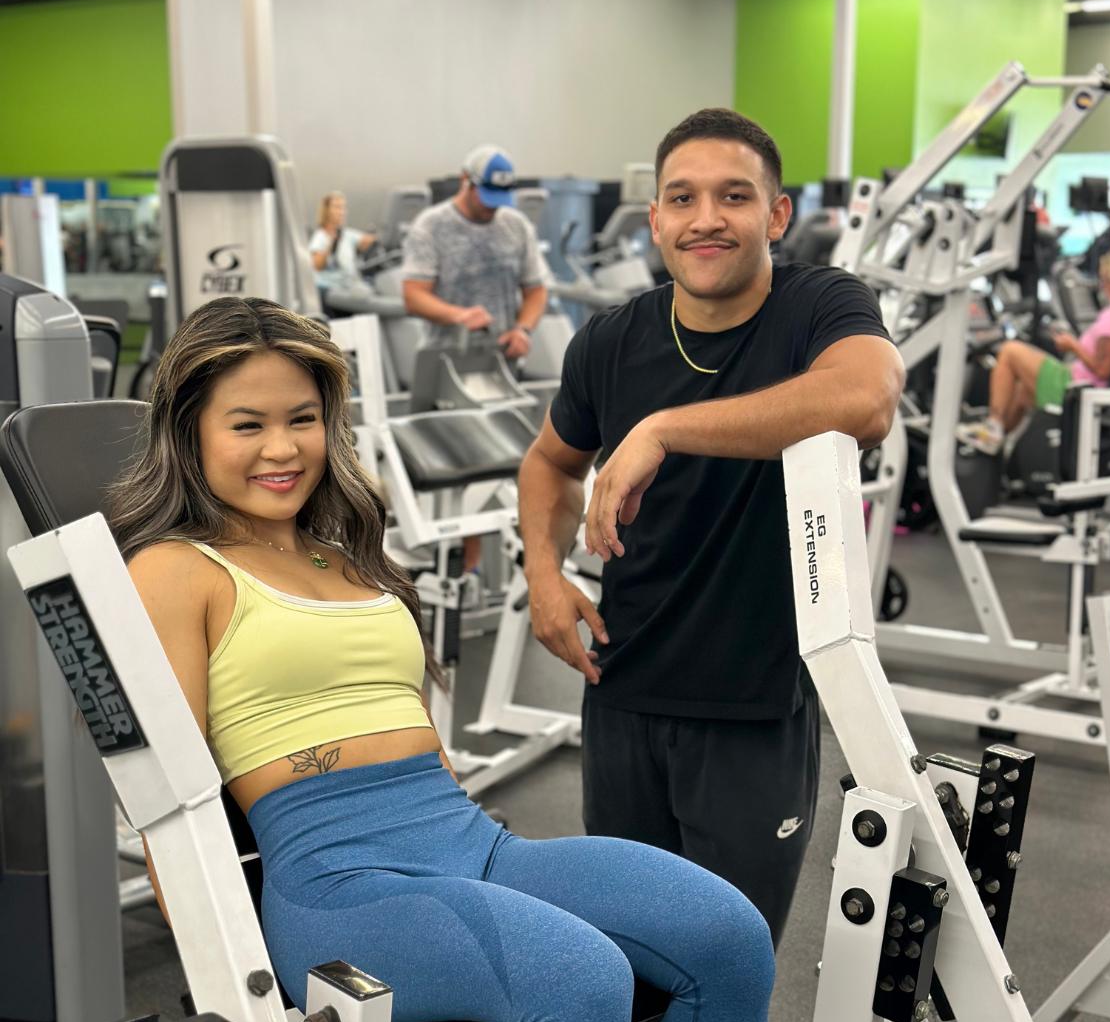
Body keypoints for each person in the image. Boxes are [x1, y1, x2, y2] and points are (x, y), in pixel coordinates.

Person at [108, 295, 775, 1022]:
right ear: (192, 433)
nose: (282, 449)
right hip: (340, 887)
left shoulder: (345, 551)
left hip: (469, 846)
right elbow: (166, 810)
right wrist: (233, 988)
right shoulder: (175, 569)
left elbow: (412, 730)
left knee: (731, 939)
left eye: (302, 419)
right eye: (247, 425)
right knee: (582, 983)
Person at [519, 108, 903, 950]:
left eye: (733, 197)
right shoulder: (610, 340)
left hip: (751, 705)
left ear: (775, 214)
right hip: (622, 688)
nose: (705, 219)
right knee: (618, 952)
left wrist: (661, 428)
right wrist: (542, 578)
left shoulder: (818, 306)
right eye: (682, 199)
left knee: (725, 964)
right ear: (655, 219)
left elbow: (865, 399)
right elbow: (549, 463)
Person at [956, 247, 1110, 455]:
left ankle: (993, 425)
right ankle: (997, 448)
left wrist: (1073, 346)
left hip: (1073, 386)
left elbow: (1102, 370)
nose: (1102, 285)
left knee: (1010, 351)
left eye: (1104, 279)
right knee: (1023, 392)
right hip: (1077, 382)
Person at [401, 143, 549, 361]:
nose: (493, 206)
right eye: (487, 195)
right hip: (444, 357)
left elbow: (536, 290)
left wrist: (522, 329)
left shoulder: (517, 225)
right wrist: (459, 315)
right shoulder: (430, 225)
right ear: (465, 180)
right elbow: (413, 295)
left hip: (500, 356)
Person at [309, 191, 380, 312]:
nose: (342, 212)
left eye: (343, 207)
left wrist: (378, 236)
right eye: (337, 207)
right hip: (329, 292)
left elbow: (366, 241)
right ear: (326, 211)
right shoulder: (320, 237)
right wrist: (330, 246)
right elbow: (317, 266)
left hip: (348, 288)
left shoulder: (347, 234)